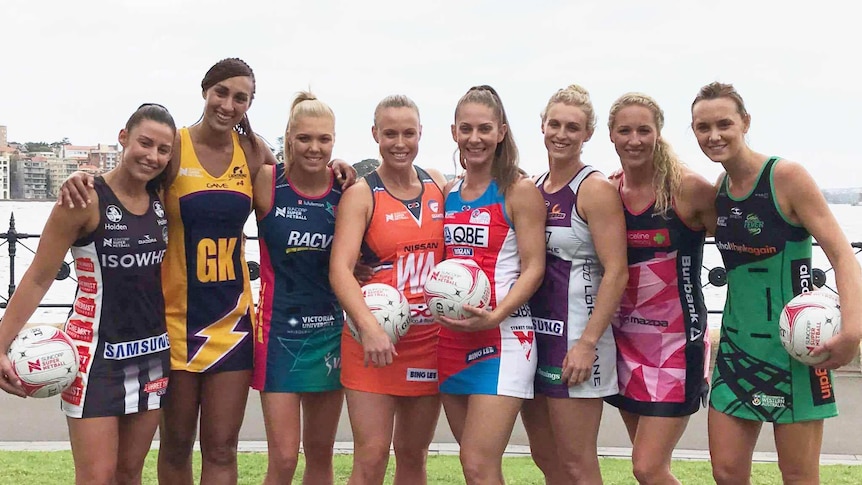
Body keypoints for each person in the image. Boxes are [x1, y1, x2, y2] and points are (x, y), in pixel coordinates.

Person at [57, 59, 356, 484]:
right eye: (222, 93)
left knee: (221, 448)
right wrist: (82, 178)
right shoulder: (174, 146)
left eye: (241, 98)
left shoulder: (252, 153)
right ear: (205, 91)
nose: (229, 105)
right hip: (173, 322)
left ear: (249, 104)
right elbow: (128, 181)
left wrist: (339, 167)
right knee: (176, 446)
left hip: (231, 324)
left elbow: (300, 178)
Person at [691, 81, 862, 484]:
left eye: (724, 124)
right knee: (727, 473)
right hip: (735, 351)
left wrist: (853, 330)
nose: (714, 135)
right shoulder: (720, 189)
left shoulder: (785, 176)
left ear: (745, 122)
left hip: (798, 350)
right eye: (702, 127)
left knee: (799, 477)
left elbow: (842, 256)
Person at [0, 103, 176, 485]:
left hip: (152, 354)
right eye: (145, 143)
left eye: (164, 150)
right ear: (123, 138)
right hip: (95, 358)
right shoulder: (84, 197)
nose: (153, 156)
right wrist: (0, 344)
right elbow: (38, 277)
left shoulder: (163, 194)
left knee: (130, 474)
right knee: (96, 477)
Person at [329, 94, 447, 485]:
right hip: (372, 342)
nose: (400, 143)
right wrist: (370, 328)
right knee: (372, 455)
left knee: (413, 456)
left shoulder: (438, 186)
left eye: (408, 133)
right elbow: (341, 271)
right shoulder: (362, 194)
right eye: (390, 133)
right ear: (375, 134)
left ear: (420, 134)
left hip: (428, 342)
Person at [519, 85, 629, 484]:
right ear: (542, 126)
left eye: (573, 127)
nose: (561, 134)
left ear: (588, 134)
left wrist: (587, 344)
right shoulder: (533, 185)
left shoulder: (594, 188)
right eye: (555, 124)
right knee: (546, 458)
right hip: (536, 337)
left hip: (577, 342)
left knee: (577, 463)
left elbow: (617, 271)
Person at [603, 92, 716, 485]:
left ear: (658, 133)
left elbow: (739, 256)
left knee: (647, 467)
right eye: (625, 130)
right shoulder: (608, 191)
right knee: (651, 469)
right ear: (611, 136)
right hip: (623, 344)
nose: (634, 139)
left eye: (643, 130)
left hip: (675, 348)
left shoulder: (689, 189)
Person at [437, 85, 546, 485]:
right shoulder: (448, 192)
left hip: (504, 338)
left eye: (485, 128)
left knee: (479, 463)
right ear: (453, 132)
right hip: (451, 339)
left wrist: (497, 314)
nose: (475, 138)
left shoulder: (519, 190)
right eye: (466, 128)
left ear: (501, 131)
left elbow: (534, 267)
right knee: (473, 468)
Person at [252, 91, 344, 485]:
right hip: (277, 336)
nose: (314, 147)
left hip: (330, 335)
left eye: (324, 139)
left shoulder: (345, 189)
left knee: (321, 458)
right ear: (289, 137)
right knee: (285, 458)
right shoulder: (268, 181)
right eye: (305, 138)